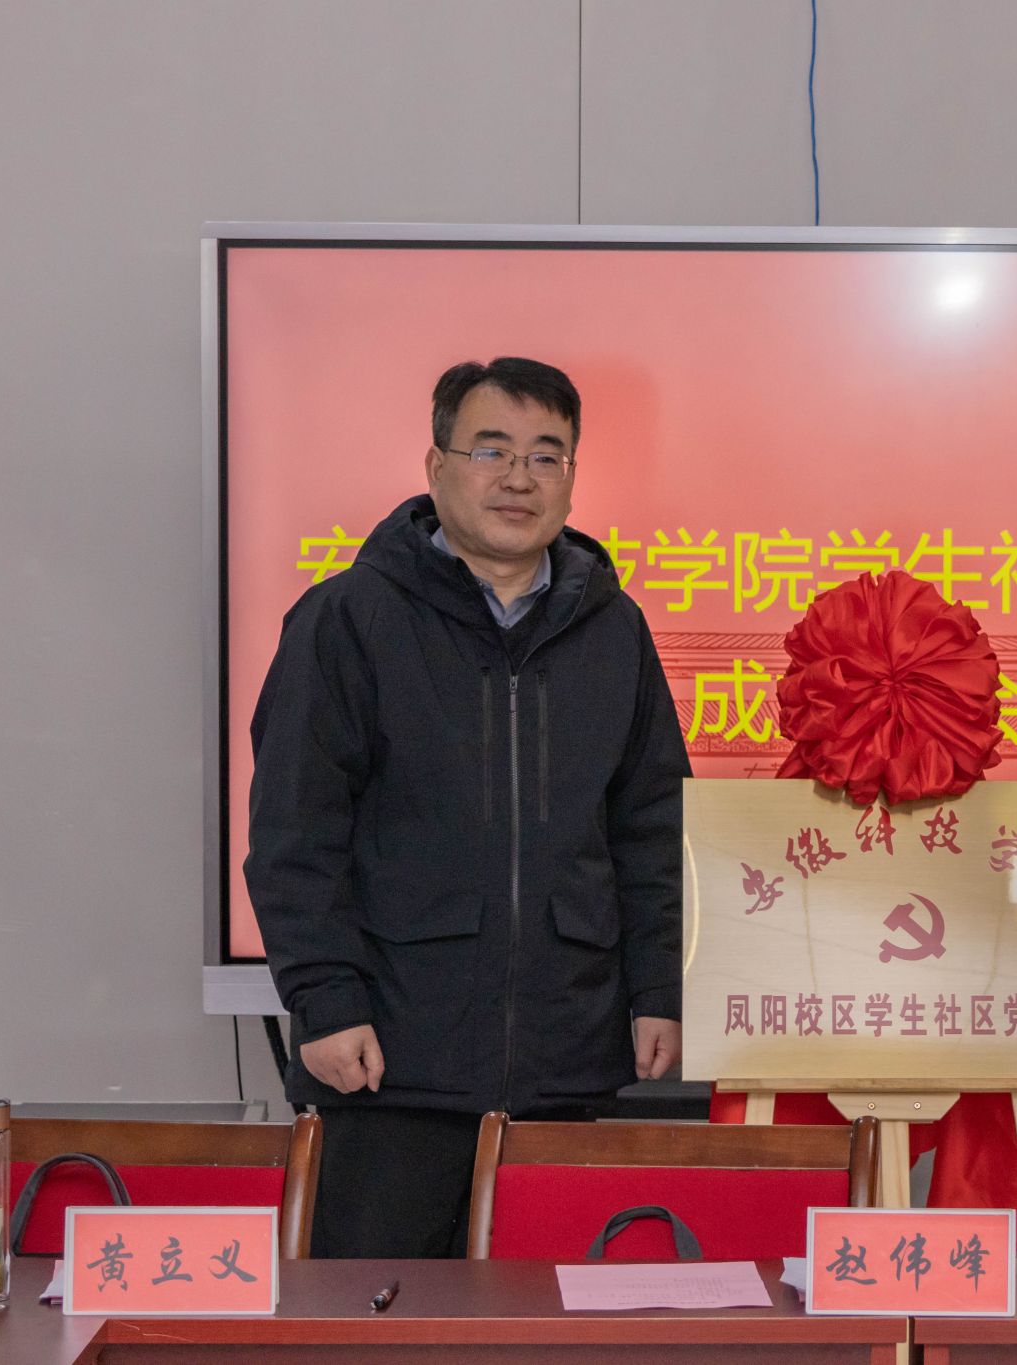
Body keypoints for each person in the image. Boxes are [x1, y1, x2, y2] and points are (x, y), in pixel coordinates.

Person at [246, 356, 690, 1257]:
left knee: (546, 1316)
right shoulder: (349, 618)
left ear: (572, 476)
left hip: (566, 1062)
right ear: (436, 465)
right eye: (491, 450)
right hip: (387, 1062)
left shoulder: (614, 629)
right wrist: (326, 1001)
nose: (519, 478)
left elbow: (651, 829)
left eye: (546, 455)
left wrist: (659, 990)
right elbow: (295, 834)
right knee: (377, 1318)